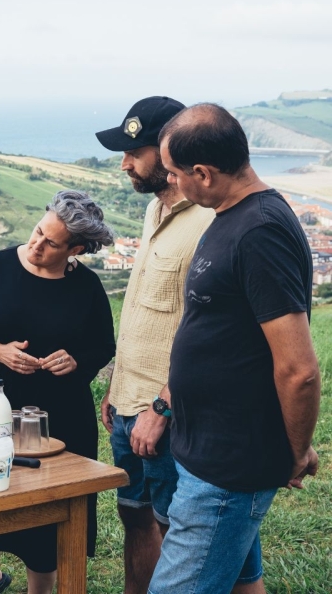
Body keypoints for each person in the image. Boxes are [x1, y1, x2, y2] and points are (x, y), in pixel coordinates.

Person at [148, 104, 320, 594]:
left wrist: (294, 449)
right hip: (207, 451)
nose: (174, 183)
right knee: (245, 584)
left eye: (176, 174)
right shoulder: (229, 216)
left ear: (203, 172)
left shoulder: (260, 231)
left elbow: (298, 369)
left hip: (228, 466)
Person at [0, 190, 116, 594]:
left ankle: (40, 588)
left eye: (51, 242)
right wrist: (0, 353)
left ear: (75, 249)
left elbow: (102, 346)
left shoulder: (87, 287)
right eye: (38, 232)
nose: (37, 244)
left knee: (48, 507)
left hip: (60, 416)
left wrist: (75, 361)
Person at [94, 96, 215, 594]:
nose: (125, 163)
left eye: (134, 151)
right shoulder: (153, 210)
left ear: (170, 152)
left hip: (168, 413)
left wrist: (161, 406)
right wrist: (116, 388)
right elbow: (149, 314)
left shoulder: (208, 224)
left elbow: (208, 333)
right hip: (127, 403)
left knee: (173, 529)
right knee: (135, 519)